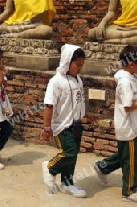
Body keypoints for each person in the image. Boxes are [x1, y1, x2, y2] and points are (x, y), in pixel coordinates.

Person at [93, 45, 137, 204]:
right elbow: (128, 107)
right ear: (132, 64)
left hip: (131, 125)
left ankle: (102, 167)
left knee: (128, 154)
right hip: (127, 126)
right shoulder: (125, 82)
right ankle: (130, 191)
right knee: (131, 160)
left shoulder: (130, 77)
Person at [41, 44, 97, 197]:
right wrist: (47, 128)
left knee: (74, 155)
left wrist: (87, 114)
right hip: (61, 125)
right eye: (77, 64)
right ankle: (50, 167)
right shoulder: (56, 82)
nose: (80, 68)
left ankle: (68, 183)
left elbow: (79, 100)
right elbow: (48, 105)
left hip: (76, 124)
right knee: (69, 152)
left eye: (82, 65)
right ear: (67, 62)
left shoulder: (78, 80)